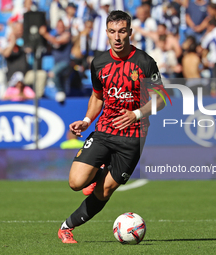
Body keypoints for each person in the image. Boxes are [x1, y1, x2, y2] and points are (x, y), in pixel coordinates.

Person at [57, 10, 165, 244]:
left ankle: (67, 227)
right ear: (106, 32)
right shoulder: (99, 63)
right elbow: (97, 97)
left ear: (130, 33)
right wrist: (86, 120)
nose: (117, 37)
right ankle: (99, 169)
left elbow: (161, 99)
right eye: (112, 32)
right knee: (76, 182)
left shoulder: (145, 62)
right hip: (105, 131)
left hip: (133, 138)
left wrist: (136, 114)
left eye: (122, 31)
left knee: (103, 192)